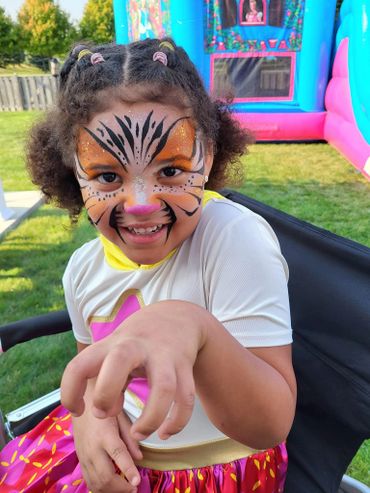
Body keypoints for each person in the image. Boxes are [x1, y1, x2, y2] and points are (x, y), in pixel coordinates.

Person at [0, 38, 296, 492]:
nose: (139, 204)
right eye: (107, 176)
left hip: (216, 471)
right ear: (74, 173)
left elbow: (269, 425)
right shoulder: (82, 269)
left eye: (171, 171)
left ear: (209, 155)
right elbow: (95, 372)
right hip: (120, 455)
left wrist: (192, 327)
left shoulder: (233, 240)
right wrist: (90, 423)